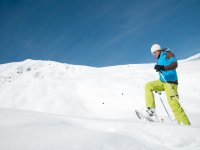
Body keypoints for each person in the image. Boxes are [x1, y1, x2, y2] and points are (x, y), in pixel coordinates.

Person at [143, 44, 191, 125]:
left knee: (174, 105)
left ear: (157, 50)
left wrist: (162, 67)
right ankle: (151, 110)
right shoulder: (159, 59)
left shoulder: (167, 54)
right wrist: (159, 68)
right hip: (163, 82)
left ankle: (185, 125)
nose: (154, 55)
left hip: (171, 82)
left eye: (154, 53)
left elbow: (175, 64)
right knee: (148, 86)